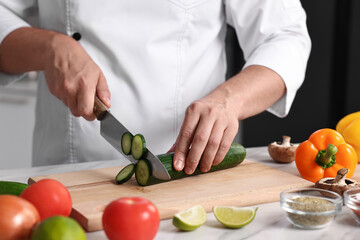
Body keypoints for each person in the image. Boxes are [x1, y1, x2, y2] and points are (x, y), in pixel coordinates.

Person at [0, 0, 311, 174]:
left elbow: (284, 36)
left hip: (183, 170)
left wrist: (228, 101)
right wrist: (50, 46)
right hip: (65, 172)